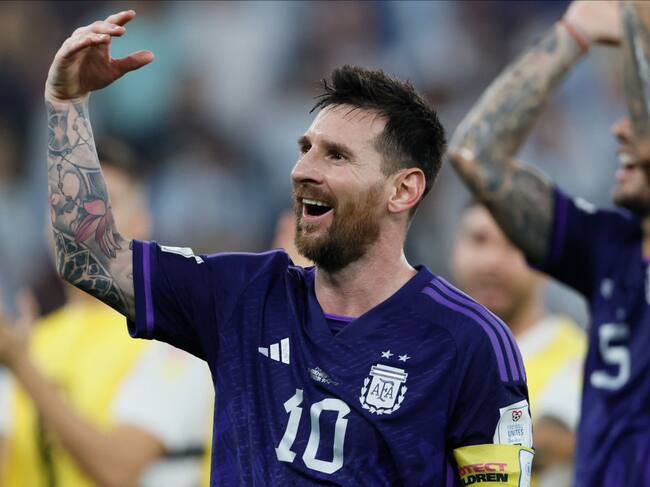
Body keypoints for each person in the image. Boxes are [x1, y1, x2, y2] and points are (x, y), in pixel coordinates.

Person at [42, 10, 534, 485]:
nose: (302, 170)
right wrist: (67, 105)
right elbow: (89, 258)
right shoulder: (241, 295)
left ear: (402, 190)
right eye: (305, 149)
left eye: (336, 156)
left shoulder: (469, 342)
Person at [447, 1, 650, 485]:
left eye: (638, 119)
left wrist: (636, 32)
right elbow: (476, 156)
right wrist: (574, 34)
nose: (618, 128)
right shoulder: (608, 248)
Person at [0, 138, 213, 487]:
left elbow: (117, 470)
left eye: (102, 203)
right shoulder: (29, 338)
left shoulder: (175, 337)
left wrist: (21, 366)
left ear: (141, 223)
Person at [451, 202, 586, 486]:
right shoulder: (422, 347)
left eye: (514, 244)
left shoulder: (581, 357)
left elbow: (554, 442)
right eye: (479, 240)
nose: (492, 261)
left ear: (547, 261)